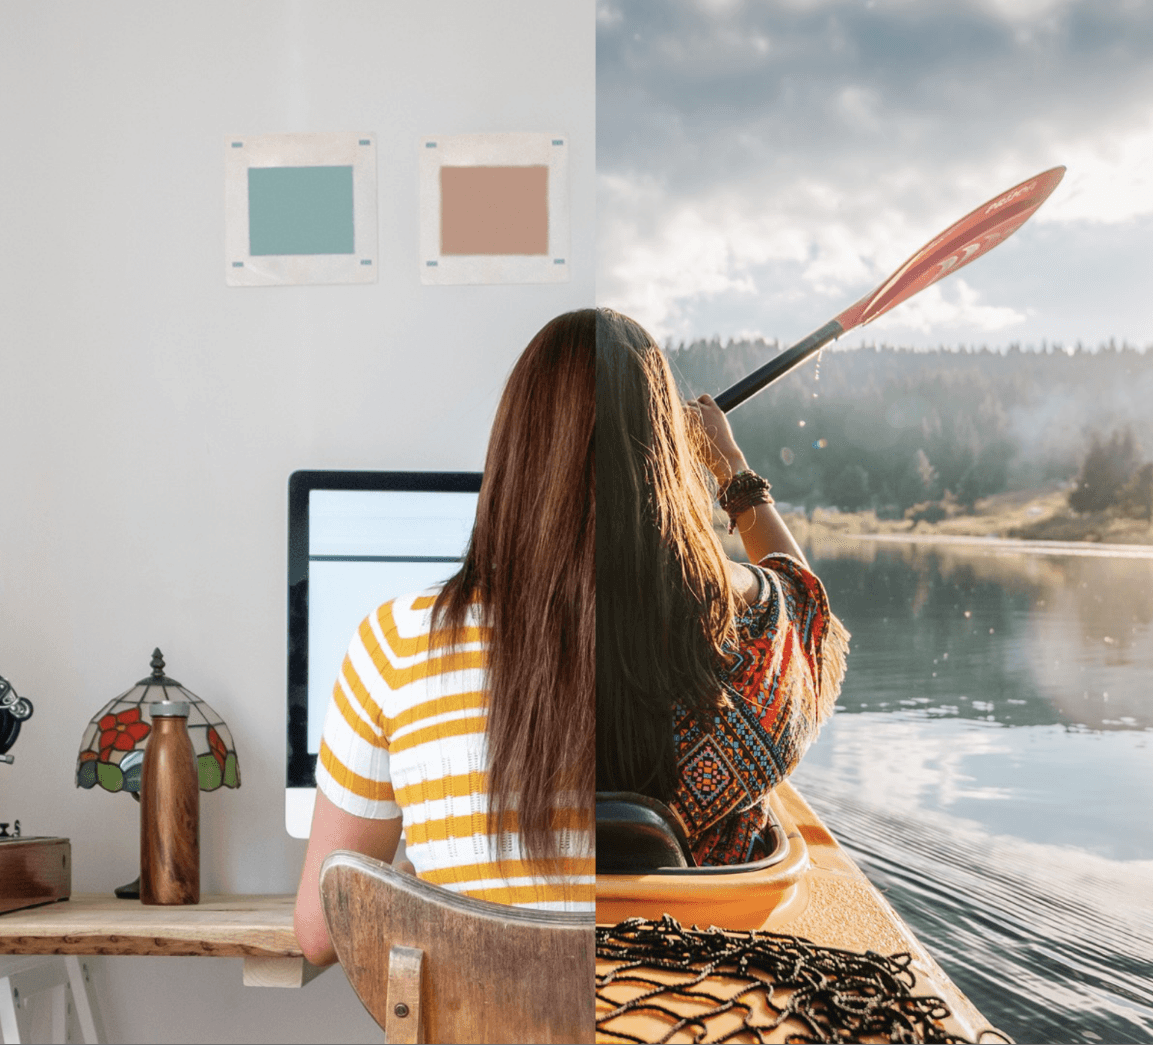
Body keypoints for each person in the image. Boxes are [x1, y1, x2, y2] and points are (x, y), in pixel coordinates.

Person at [294, 312, 595, 966]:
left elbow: (319, 932)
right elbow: (803, 623)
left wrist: (425, 880)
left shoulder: (395, 642)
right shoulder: (711, 645)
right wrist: (739, 482)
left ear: (512, 456)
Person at [596, 308, 848, 867]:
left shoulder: (451, 629)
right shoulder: (740, 609)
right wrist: (731, 467)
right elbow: (802, 610)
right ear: (663, 440)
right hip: (698, 905)